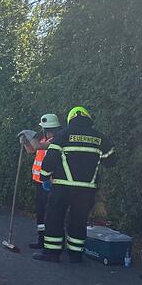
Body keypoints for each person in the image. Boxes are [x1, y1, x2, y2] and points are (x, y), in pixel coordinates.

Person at [33, 106, 116, 263]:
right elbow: (111, 161)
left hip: (63, 187)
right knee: (79, 220)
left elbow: (50, 158)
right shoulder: (100, 138)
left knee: (54, 218)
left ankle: (52, 253)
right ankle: (76, 254)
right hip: (87, 190)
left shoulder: (63, 135)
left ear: (71, 119)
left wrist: (45, 178)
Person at [22, 113, 62, 250]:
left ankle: (49, 241)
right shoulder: (45, 140)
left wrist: (30, 135)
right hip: (39, 181)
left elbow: (38, 146)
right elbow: (31, 150)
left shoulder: (56, 141)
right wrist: (26, 142)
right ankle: (41, 239)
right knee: (40, 212)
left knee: (48, 212)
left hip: (49, 183)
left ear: (47, 129)